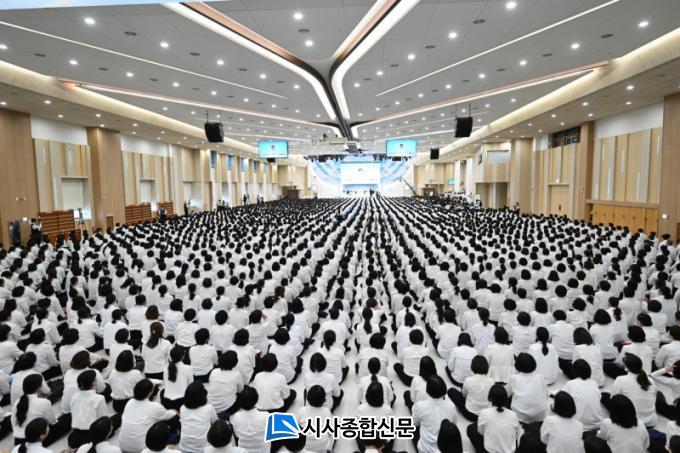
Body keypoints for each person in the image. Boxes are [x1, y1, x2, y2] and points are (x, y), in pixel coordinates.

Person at [118, 380, 176, 453]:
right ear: (150, 393)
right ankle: (168, 444)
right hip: (142, 449)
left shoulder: (129, 402)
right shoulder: (155, 406)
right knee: (172, 420)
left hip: (122, 446)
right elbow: (169, 415)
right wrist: (175, 411)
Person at [467, 384, 522, 453]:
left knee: (471, 428)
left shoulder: (485, 412)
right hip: (510, 451)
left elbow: (481, 432)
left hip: (490, 451)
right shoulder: (513, 415)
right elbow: (517, 434)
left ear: (490, 398)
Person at [412, 376, 457, 453]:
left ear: (427, 390)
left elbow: (414, 423)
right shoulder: (451, 405)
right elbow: (453, 423)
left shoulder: (420, 406)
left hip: (425, 449)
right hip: (443, 448)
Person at [178, 383, 218, 453]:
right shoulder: (209, 408)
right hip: (203, 449)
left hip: (184, 448)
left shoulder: (182, 408)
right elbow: (216, 424)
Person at [230, 387, 270, 453]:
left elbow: (236, 435)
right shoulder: (266, 416)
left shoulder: (234, 418)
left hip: (243, 450)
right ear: (257, 399)